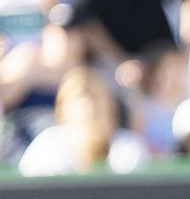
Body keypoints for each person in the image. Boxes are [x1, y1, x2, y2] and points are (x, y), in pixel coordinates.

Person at [18, 64, 148, 175]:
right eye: (80, 98)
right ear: (63, 109)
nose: (90, 107)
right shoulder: (48, 145)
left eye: (97, 97)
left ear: (112, 106)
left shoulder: (129, 147)